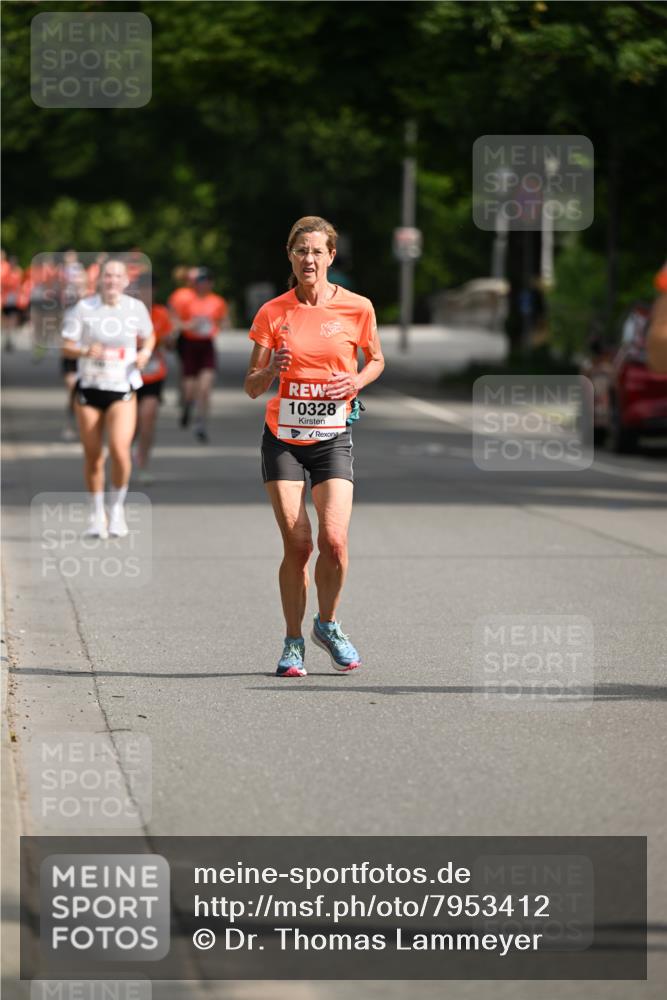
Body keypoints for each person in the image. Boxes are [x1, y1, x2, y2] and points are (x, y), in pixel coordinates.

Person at [244, 216, 385, 678]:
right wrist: (271, 371)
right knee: (300, 545)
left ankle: (327, 624)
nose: (309, 259)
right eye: (301, 250)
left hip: (332, 437)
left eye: (317, 251)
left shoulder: (358, 308)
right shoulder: (272, 312)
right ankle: (292, 642)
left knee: (335, 542)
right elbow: (250, 385)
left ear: (330, 256)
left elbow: (376, 359)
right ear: (290, 255)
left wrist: (356, 380)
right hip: (283, 439)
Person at [61, 258, 154, 538]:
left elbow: (149, 337)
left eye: (117, 276)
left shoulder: (135, 308)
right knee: (93, 455)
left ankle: (116, 509)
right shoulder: (83, 309)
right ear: (99, 280)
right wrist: (84, 352)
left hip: (122, 388)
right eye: (107, 276)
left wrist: (144, 354)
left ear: (126, 281)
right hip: (90, 388)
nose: (112, 281)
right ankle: (95, 513)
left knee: (119, 449)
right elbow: (66, 347)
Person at [178, 267, 227, 442]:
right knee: (190, 388)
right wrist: (188, 325)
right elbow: (177, 322)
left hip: (207, 345)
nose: (203, 285)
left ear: (211, 284)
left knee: (205, 387)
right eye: (200, 282)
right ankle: (187, 406)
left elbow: (223, 321)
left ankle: (201, 422)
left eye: (206, 281)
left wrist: (217, 327)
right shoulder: (188, 301)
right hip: (190, 344)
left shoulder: (217, 301)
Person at [133, 273, 174, 482]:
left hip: (153, 373)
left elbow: (170, 344)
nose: (146, 294)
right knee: (131, 424)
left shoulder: (160, 314)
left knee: (148, 418)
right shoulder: (125, 314)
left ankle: (143, 463)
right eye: (142, 289)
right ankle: (127, 453)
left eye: (150, 289)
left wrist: (166, 341)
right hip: (127, 375)